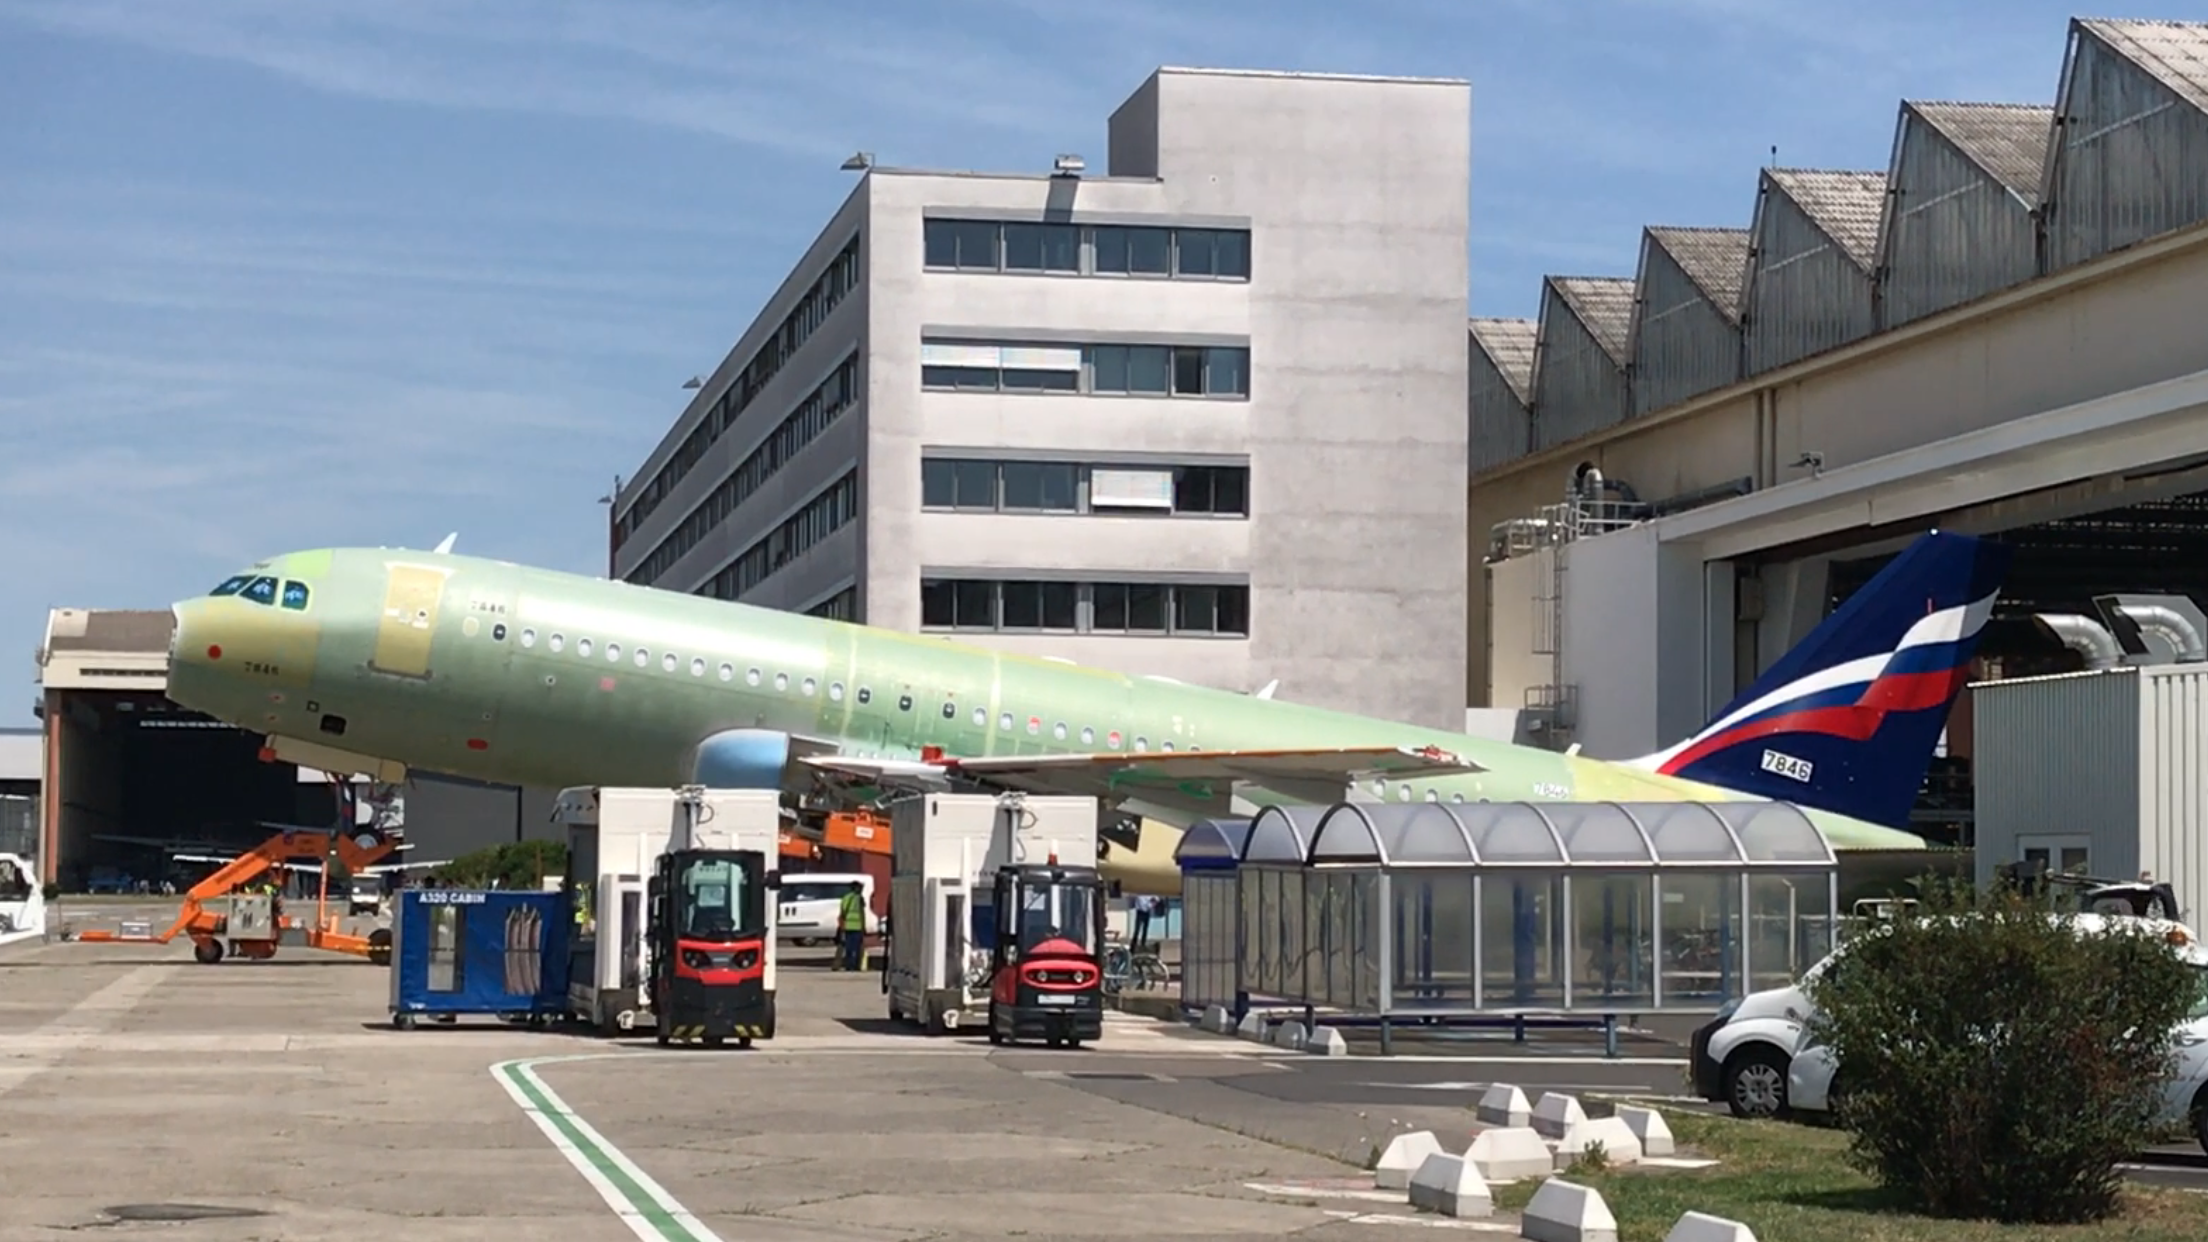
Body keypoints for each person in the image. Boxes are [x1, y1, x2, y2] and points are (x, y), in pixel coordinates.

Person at [836, 881, 867, 972]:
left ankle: (848, 965)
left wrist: (842, 926)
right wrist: (863, 926)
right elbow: (862, 913)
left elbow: (842, 912)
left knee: (849, 948)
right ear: (856, 888)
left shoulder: (845, 898)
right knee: (856, 948)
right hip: (857, 927)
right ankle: (855, 965)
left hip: (847, 926)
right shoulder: (859, 899)